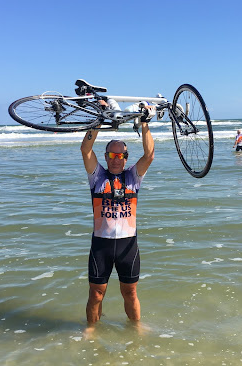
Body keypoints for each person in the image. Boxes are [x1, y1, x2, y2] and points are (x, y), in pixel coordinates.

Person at [80, 103, 155, 332]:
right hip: (101, 246)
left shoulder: (133, 176)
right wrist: (99, 120)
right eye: (112, 155)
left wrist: (144, 123)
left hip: (127, 246)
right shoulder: (97, 176)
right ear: (106, 156)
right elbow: (85, 150)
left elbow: (149, 155)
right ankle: (91, 330)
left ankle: (136, 328)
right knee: (96, 293)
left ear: (125, 157)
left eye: (121, 155)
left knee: (130, 292)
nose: (116, 159)